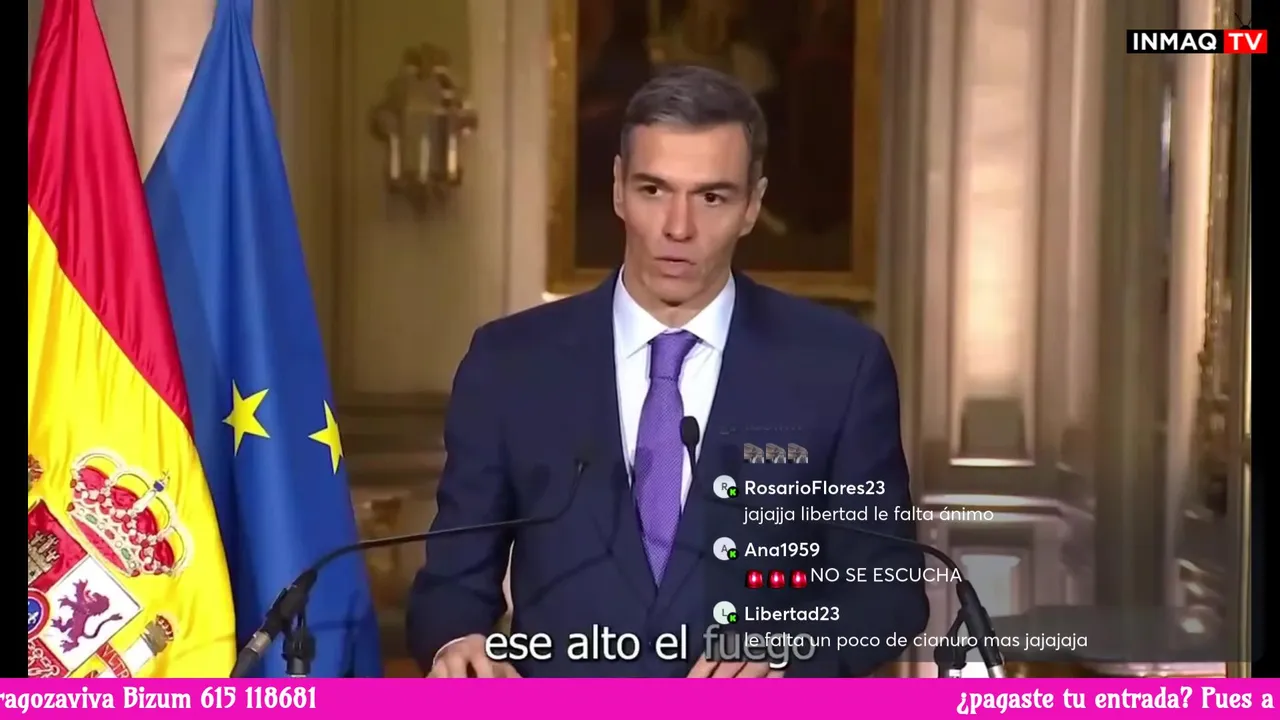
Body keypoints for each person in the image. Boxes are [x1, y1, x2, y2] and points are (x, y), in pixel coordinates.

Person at [407, 65, 928, 678]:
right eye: (654, 190)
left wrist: (787, 654)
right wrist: (455, 643)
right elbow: (452, 584)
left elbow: (888, 597)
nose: (678, 228)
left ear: (753, 206)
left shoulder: (840, 367)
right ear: (618, 190)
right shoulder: (509, 363)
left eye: (712, 197)